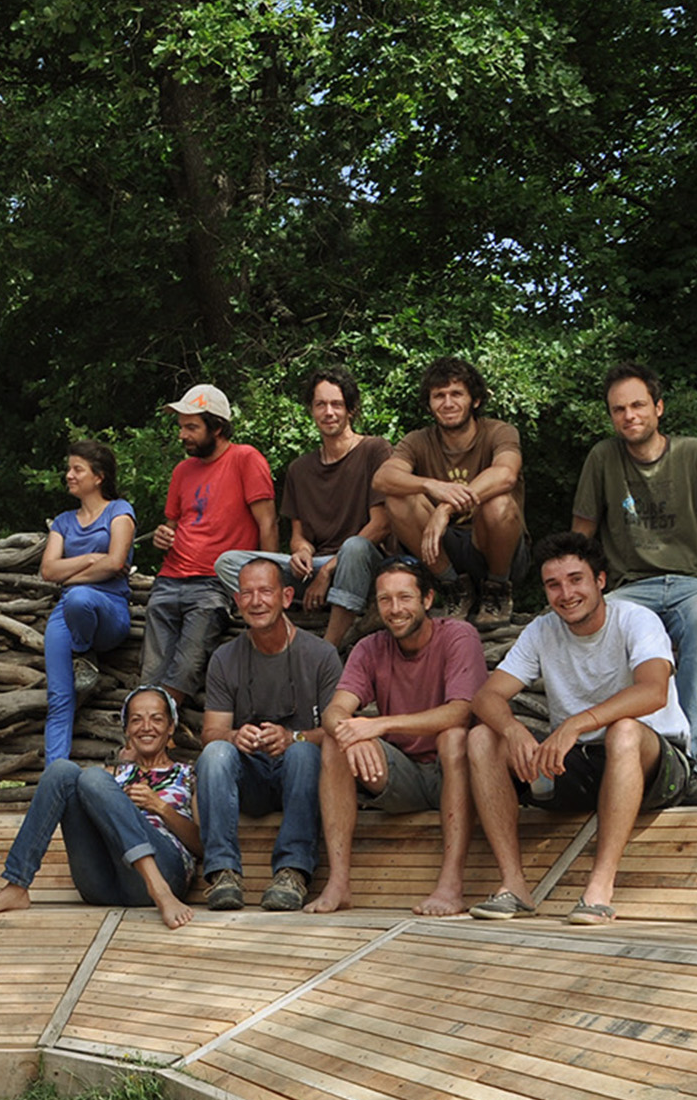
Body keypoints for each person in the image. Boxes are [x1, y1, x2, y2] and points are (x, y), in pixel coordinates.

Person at [465, 532, 694, 925]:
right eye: (553, 584)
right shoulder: (541, 630)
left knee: (623, 730)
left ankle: (599, 889)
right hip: (581, 765)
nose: (565, 593)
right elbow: (486, 698)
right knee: (481, 737)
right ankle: (514, 886)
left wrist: (577, 722)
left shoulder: (636, 619)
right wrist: (512, 730)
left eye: (575, 579)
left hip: (655, 763)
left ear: (600, 580)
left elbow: (653, 691)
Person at [571, 361, 697, 761]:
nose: (629, 416)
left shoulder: (696, 453)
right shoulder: (602, 458)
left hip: (695, 585)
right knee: (602, 629)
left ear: (659, 408)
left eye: (638, 405)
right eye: (619, 409)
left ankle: (684, 756)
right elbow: (580, 536)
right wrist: (573, 596)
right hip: (629, 588)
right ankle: (611, 755)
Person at [304, 557, 487, 917]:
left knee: (453, 738)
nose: (395, 609)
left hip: (455, 773)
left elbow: (461, 711)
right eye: (385, 599)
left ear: (427, 600)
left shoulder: (458, 636)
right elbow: (334, 712)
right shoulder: (370, 647)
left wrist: (381, 725)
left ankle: (450, 886)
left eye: (405, 598)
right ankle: (339, 883)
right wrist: (351, 734)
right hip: (403, 777)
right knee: (334, 742)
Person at [0, 685, 198, 930]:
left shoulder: (188, 776)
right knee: (62, 771)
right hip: (103, 883)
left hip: (166, 874)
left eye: (156, 719)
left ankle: (159, 890)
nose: (146, 727)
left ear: (171, 726)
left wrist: (160, 807)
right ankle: (16, 885)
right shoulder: (112, 776)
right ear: (127, 730)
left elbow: (202, 845)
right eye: (136, 720)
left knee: (92, 778)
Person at [194, 559, 342, 912]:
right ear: (236, 600)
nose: (256, 601)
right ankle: (223, 873)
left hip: (302, 778)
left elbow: (340, 730)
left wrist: (294, 738)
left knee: (305, 753)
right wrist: (233, 737)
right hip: (251, 780)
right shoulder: (225, 658)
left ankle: (293, 871)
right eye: (247, 593)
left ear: (286, 597)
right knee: (215, 754)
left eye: (265, 591)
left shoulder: (321, 656)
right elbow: (211, 732)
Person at [217, 368, 391, 649]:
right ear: (311, 410)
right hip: (317, 566)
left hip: (362, 563)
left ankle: (328, 649)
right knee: (227, 562)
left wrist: (327, 573)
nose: (329, 412)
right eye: (320, 404)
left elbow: (382, 524)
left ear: (351, 409)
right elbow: (299, 535)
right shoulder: (300, 469)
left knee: (354, 548)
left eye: (336, 404)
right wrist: (301, 553)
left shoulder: (375, 449)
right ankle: (285, 636)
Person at [139, 384, 277, 706]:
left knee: (187, 666)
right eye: (181, 427)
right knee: (151, 670)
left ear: (216, 427)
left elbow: (267, 523)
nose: (182, 435)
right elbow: (171, 527)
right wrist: (163, 536)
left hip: (213, 583)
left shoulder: (246, 458)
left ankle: (156, 725)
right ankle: (149, 732)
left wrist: (267, 580)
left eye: (191, 427)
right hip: (169, 578)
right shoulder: (182, 470)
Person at [374, 357, 529, 629]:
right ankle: (454, 589)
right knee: (398, 497)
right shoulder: (418, 440)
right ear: (429, 404)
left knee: (499, 502)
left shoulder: (499, 432)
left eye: (456, 394)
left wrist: (445, 508)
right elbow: (382, 478)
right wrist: (429, 485)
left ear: (475, 400)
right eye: (439, 396)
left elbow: (506, 474)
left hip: (497, 547)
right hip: (444, 552)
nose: (447, 403)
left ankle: (497, 592)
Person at [36, 440, 136, 764]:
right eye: (69, 468)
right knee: (59, 698)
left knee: (79, 597)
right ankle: (56, 775)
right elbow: (47, 570)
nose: (69, 475)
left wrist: (70, 577)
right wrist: (92, 558)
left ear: (99, 476)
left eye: (77, 469)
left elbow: (116, 563)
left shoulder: (120, 512)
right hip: (68, 612)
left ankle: (83, 651)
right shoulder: (64, 521)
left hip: (111, 610)